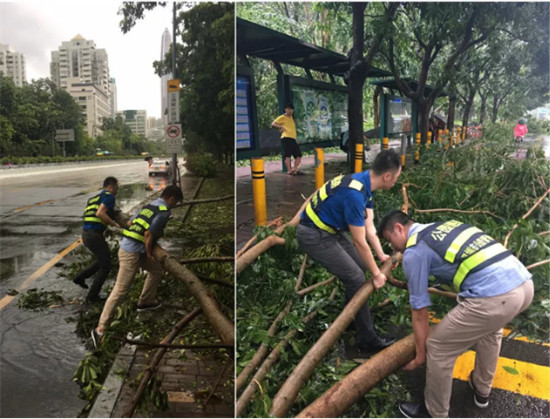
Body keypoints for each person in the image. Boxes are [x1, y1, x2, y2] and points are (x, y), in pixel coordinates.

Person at [376, 210, 534, 418]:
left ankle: (434, 412)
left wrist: (421, 355)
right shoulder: (444, 226)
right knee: (491, 331)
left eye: (390, 240)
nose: (394, 248)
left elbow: (419, 312)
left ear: (399, 228)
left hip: (495, 298)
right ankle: (481, 389)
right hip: (524, 284)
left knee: (439, 346)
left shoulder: (414, 252)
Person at [296, 149, 402, 354]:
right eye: (396, 177)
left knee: (361, 266)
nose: (396, 182)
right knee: (356, 276)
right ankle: (367, 339)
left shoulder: (365, 183)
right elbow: (359, 242)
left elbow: (369, 229)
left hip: (331, 230)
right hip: (314, 234)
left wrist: (380, 256)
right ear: (387, 176)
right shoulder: (355, 195)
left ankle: (352, 316)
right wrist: (377, 274)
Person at [91, 185, 184, 348]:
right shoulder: (164, 211)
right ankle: (100, 329)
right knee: (120, 290)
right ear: (171, 199)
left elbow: (132, 222)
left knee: (156, 270)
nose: (174, 205)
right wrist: (149, 254)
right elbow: (148, 234)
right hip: (131, 252)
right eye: (175, 203)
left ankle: (145, 302)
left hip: (134, 248)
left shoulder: (151, 205)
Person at [73, 176, 121, 303]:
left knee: (102, 260)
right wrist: (114, 224)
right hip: (94, 235)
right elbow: (100, 213)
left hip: (86, 234)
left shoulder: (93, 199)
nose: (116, 191)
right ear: (110, 187)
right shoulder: (109, 197)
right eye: (116, 188)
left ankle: (80, 277)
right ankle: (92, 297)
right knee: (106, 266)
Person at [271, 103, 304, 175]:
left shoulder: (292, 118)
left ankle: (295, 170)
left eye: (291, 109)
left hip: (292, 138)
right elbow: (273, 123)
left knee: (298, 155)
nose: (290, 111)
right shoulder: (282, 117)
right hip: (286, 137)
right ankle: (289, 171)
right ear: (285, 109)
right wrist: (281, 127)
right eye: (288, 109)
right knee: (287, 154)